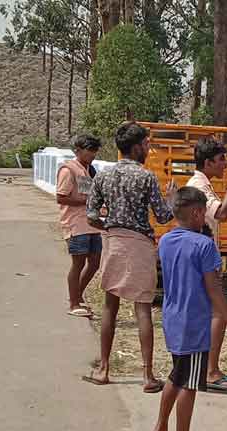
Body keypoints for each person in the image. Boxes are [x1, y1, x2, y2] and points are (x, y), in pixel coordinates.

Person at [148, 187, 227, 431]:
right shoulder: (204, 246)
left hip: (173, 318)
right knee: (189, 383)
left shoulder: (166, 240)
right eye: (204, 211)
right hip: (194, 323)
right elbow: (214, 289)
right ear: (197, 212)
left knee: (177, 375)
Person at [84, 121, 177, 393]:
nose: (148, 148)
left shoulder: (102, 176)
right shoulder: (146, 177)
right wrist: (171, 198)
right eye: (147, 144)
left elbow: (91, 215)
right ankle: (147, 376)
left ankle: (103, 369)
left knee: (109, 308)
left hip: (113, 243)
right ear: (137, 147)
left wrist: (111, 226)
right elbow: (162, 216)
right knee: (143, 309)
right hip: (140, 246)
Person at [186, 138, 227, 392]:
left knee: (209, 311)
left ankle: (204, 367)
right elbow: (221, 214)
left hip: (200, 252)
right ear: (208, 162)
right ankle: (210, 370)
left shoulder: (201, 184)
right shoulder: (200, 186)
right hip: (202, 255)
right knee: (218, 310)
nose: (225, 164)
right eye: (221, 160)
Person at [56, 134, 103, 317]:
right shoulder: (69, 170)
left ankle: (77, 296)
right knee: (78, 263)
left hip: (91, 224)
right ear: (78, 150)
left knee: (95, 262)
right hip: (76, 224)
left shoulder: (90, 170)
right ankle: (74, 303)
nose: (93, 154)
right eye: (89, 150)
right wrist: (88, 201)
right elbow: (61, 196)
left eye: (94, 150)